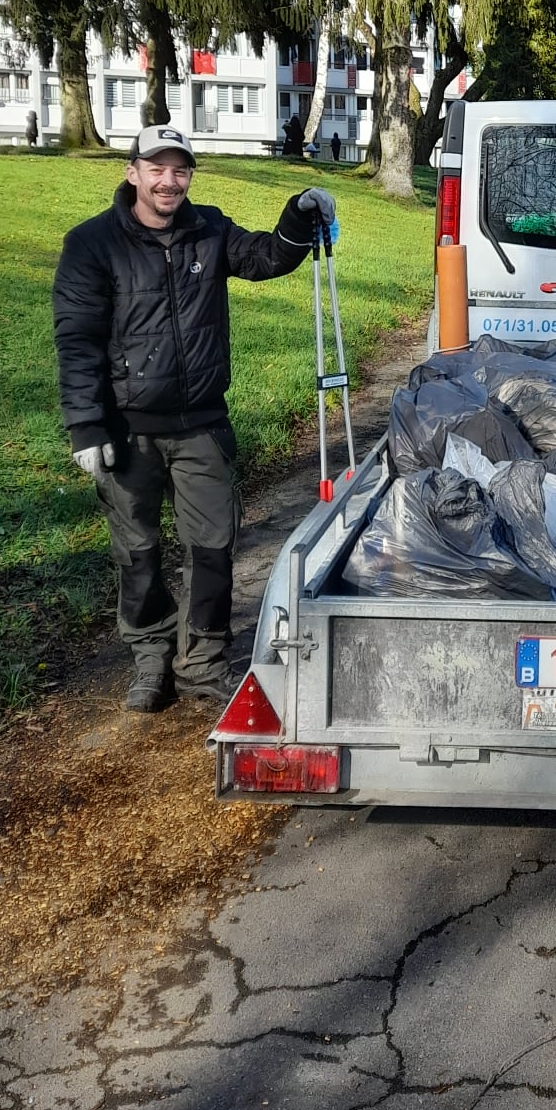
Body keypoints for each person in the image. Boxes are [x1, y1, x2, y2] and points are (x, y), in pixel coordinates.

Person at [52, 123, 337, 713]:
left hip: (201, 423)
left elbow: (263, 257)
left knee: (211, 548)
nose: (168, 180)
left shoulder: (207, 228)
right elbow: (77, 340)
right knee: (139, 553)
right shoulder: (91, 244)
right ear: (132, 172)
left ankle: (202, 663)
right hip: (126, 429)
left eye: (179, 169)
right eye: (156, 167)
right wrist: (86, 425)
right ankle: (151, 655)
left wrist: (297, 216)